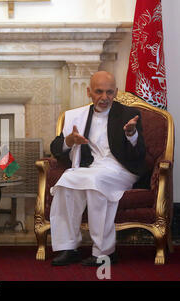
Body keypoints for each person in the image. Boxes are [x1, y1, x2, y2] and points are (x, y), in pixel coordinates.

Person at [49, 71, 146, 266]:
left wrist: (131, 134)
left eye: (109, 92)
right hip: (90, 168)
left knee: (95, 182)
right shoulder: (77, 116)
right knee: (66, 181)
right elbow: (56, 147)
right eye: (99, 92)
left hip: (120, 170)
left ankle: (104, 252)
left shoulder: (128, 115)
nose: (104, 97)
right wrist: (70, 140)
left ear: (116, 92)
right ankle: (68, 248)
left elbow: (139, 154)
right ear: (89, 92)